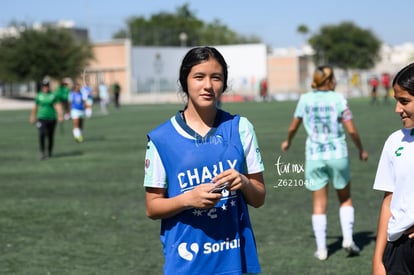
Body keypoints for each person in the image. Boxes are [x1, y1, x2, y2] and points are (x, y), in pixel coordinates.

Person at [143, 46, 265, 274]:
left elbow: (259, 198)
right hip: (186, 263)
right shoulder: (161, 139)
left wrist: (245, 183)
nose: (208, 85)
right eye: (199, 77)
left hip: (235, 260)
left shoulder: (241, 128)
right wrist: (188, 199)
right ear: (184, 81)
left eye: (216, 77)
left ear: (224, 83)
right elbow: (152, 207)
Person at [280, 65, 368, 261]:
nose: (335, 81)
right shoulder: (338, 99)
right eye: (333, 78)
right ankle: (348, 239)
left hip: (314, 155)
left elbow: (294, 126)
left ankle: (322, 250)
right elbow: (352, 130)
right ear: (328, 81)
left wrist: (288, 141)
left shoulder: (305, 99)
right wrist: (361, 149)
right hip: (337, 154)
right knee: (345, 198)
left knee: (319, 205)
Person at [372, 63, 414, 275]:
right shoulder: (394, 141)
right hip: (398, 248)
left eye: (404, 101)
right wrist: (378, 260)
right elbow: (389, 201)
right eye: (397, 101)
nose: (397, 109)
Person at [30, 81, 63, 159]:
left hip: (51, 117)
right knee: (42, 133)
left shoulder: (53, 95)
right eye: (44, 86)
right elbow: (36, 106)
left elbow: (58, 105)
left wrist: (60, 115)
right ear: (42, 87)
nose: (45, 88)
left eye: (47, 86)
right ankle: (42, 152)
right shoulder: (39, 95)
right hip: (41, 117)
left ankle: (50, 151)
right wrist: (32, 116)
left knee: (50, 135)